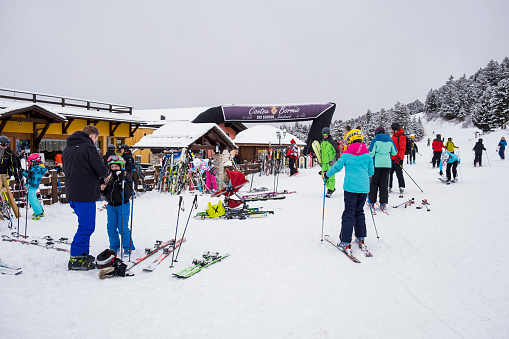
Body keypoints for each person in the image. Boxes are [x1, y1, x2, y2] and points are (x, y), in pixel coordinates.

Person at [63, 125, 109, 270]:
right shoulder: (88, 148)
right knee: (87, 227)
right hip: (84, 193)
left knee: (84, 225)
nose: (95, 142)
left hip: (73, 192)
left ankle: (83, 254)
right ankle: (76, 257)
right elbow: (102, 171)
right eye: (96, 139)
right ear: (92, 136)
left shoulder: (68, 148)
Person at [323, 128, 374, 255]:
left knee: (349, 213)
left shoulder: (346, 153)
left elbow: (336, 167)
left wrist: (327, 174)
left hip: (351, 188)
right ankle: (361, 238)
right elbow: (371, 172)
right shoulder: (367, 154)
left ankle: (345, 241)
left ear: (350, 139)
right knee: (359, 212)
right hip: (363, 188)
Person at [101, 155, 135, 255]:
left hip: (123, 205)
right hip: (111, 206)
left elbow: (128, 193)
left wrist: (121, 181)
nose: (114, 168)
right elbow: (105, 193)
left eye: (116, 166)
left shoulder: (126, 176)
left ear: (121, 166)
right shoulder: (109, 178)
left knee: (122, 228)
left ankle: (127, 247)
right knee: (111, 228)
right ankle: (114, 246)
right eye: (112, 167)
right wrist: (102, 189)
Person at [368, 127, 397, 212]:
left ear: (376, 133)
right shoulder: (390, 140)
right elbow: (394, 152)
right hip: (387, 164)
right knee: (384, 183)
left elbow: (371, 153)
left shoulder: (375, 141)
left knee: (374, 182)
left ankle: (372, 201)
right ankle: (383, 202)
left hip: (377, 164)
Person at [22, 154, 48, 220]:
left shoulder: (36, 168)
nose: (29, 163)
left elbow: (28, 174)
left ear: (34, 161)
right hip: (34, 184)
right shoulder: (38, 167)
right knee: (34, 198)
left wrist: (22, 172)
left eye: (30, 162)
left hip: (32, 184)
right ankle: (40, 211)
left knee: (31, 199)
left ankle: (38, 213)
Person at [320, 127, 341, 198]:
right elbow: (321, 152)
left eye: (326, 134)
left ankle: (330, 189)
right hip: (324, 163)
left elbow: (337, 151)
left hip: (331, 162)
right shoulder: (322, 142)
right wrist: (320, 161)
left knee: (331, 176)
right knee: (323, 177)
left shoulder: (332, 142)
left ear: (329, 134)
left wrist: (334, 160)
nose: (324, 135)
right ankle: (331, 188)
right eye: (323, 134)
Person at [389, 122, 406, 196]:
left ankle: (401, 186)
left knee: (399, 173)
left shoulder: (401, 137)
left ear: (396, 129)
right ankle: (389, 186)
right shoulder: (393, 136)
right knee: (390, 173)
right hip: (391, 158)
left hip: (398, 159)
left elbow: (402, 149)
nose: (392, 130)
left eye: (393, 129)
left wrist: (399, 158)